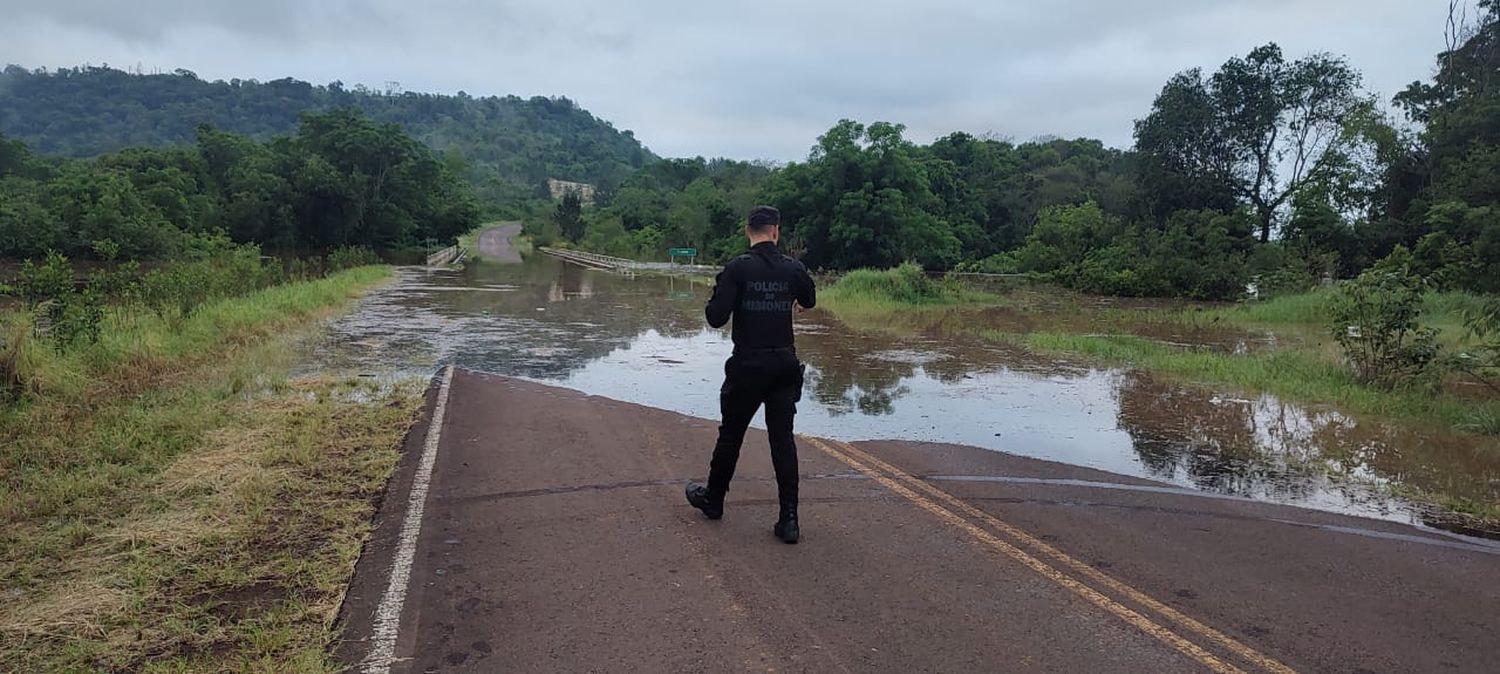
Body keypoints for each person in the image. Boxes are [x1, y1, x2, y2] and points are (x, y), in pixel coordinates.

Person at [686, 205, 816, 544]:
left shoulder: (737, 269)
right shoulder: (793, 268)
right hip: (784, 367)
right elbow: (810, 298)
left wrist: (717, 296)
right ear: (776, 232)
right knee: (782, 440)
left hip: (747, 367)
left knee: (731, 435)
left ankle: (713, 501)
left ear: (748, 231)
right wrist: (792, 301)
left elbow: (716, 317)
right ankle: (789, 521)